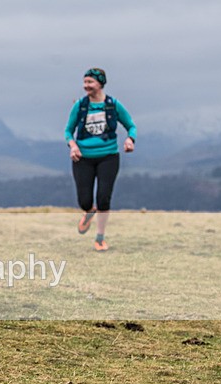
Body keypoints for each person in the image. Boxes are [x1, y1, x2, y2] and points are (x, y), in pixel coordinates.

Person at [65, 68, 136, 252]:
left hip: (108, 157)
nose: (85, 86)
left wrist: (130, 139)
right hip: (83, 158)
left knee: (104, 198)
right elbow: (68, 131)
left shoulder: (113, 105)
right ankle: (88, 212)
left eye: (90, 82)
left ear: (100, 84)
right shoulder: (80, 106)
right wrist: (73, 146)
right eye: (85, 82)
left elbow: (131, 125)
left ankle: (100, 238)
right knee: (84, 200)